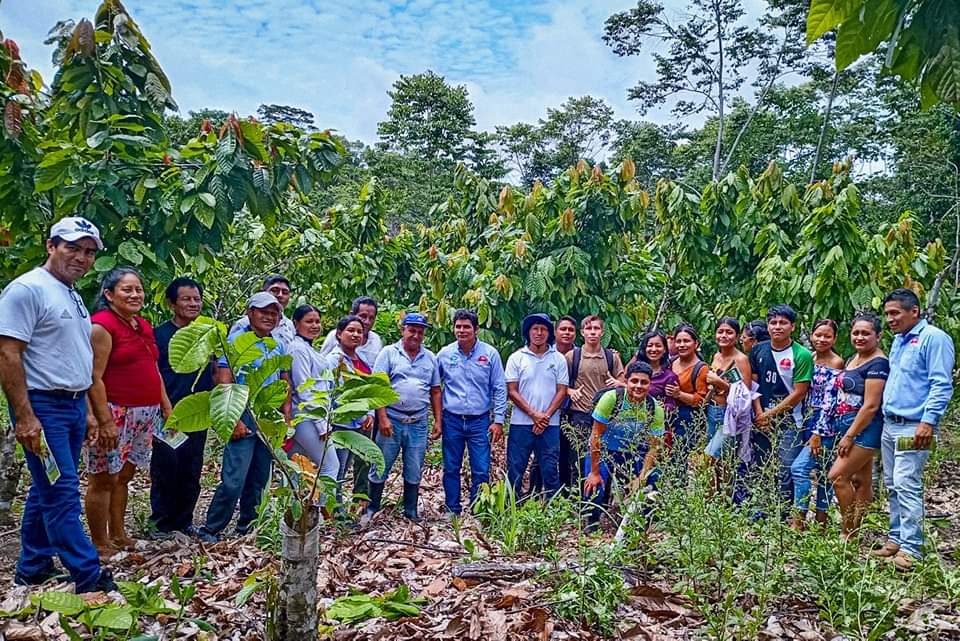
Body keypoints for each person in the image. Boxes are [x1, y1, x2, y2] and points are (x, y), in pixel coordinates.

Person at [0, 217, 115, 592]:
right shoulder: (27, 289)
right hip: (42, 407)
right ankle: (88, 574)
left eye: (89, 252)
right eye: (73, 248)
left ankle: (32, 566)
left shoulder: (71, 294)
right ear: (51, 246)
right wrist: (24, 416)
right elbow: (8, 353)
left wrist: (86, 412)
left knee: (46, 488)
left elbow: (71, 357)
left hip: (69, 405)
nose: (81, 258)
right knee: (62, 491)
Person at [85, 267, 172, 556]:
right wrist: (103, 420)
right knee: (103, 478)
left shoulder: (141, 324)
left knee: (124, 475)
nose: (135, 294)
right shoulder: (102, 326)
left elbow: (152, 367)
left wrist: (165, 403)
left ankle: (119, 535)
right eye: (127, 289)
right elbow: (93, 377)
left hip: (144, 413)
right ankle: (99, 542)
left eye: (138, 289)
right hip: (115, 411)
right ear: (109, 294)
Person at [199, 292, 292, 542]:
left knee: (260, 477)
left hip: (267, 417)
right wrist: (234, 419)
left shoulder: (278, 344)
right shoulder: (236, 341)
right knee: (234, 478)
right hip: (243, 414)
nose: (269, 317)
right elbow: (224, 380)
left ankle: (247, 526)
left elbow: (284, 381)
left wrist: (286, 416)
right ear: (250, 313)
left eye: (274, 313)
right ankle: (211, 528)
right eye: (263, 312)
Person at [874, 289, 954, 570]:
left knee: (908, 483)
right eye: (887, 314)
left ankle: (912, 549)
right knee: (893, 484)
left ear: (914, 311)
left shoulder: (934, 339)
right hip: (890, 423)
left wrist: (928, 421)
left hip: (914, 426)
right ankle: (896, 538)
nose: (890, 319)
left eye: (895, 313)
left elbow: (941, 383)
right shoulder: (898, 341)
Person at [150, 277, 214, 538]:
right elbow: (153, 373)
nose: (193, 303)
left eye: (196, 299)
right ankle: (162, 523)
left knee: (191, 466)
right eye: (186, 299)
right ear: (172, 303)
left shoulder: (207, 333)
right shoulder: (159, 335)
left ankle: (184, 520)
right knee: (166, 466)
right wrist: (165, 408)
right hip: (169, 413)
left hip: (198, 412)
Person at [364, 312, 442, 522]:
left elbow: (435, 390)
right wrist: (382, 418)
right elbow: (378, 387)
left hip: (418, 422)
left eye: (420, 332)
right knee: (381, 463)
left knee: (414, 465)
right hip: (392, 419)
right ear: (403, 330)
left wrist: (438, 421)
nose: (415, 335)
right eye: (412, 330)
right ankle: (372, 507)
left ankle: (410, 510)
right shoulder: (389, 353)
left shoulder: (430, 358)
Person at [821, 313, 887, 539]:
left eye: (865, 333)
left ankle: (847, 532)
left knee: (837, 477)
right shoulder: (853, 359)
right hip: (846, 423)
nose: (859, 337)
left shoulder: (878, 364)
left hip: (864, 429)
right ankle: (857, 528)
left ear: (878, 336)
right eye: (856, 332)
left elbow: (870, 406)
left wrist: (849, 435)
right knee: (861, 480)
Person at [437, 309, 507, 516]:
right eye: (458, 326)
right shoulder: (445, 354)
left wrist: (499, 420)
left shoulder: (489, 354)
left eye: (466, 326)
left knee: (481, 468)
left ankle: (478, 509)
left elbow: (499, 388)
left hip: (480, 421)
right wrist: (437, 419)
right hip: (452, 420)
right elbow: (434, 387)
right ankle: (452, 508)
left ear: (476, 329)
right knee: (451, 466)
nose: (462, 330)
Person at [582, 362, 665, 527]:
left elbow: (654, 446)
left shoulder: (654, 408)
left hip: (633, 453)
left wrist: (642, 477)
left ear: (650, 384)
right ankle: (592, 524)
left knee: (654, 478)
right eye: (634, 381)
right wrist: (595, 472)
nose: (638, 386)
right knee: (594, 488)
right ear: (626, 381)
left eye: (644, 382)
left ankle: (642, 523)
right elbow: (596, 436)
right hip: (604, 451)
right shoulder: (611, 399)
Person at [747, 305, 813, 511]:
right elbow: (753, 385)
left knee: (786, 466)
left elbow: (799, 392)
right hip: (761, 417)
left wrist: (769, 414)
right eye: (773, 322)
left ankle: (784, 512)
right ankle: (762, 509)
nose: (777, 327)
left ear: (792, 326)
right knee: (761, 463)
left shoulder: (802, 354)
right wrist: (759, 413)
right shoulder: (758, 350)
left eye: (783, 322)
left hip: (789, 420)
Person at [505, 314, 570, 500]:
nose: (539, 333)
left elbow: (562, 391)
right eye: (535, 328)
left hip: (550, 425)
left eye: (543, 329)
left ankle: (552, 511)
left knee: (550, 469)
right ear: (528, 332)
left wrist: (545, 417)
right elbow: (512, 391)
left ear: (549, 333)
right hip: (521, 424)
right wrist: (534, 415)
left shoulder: (558, 359)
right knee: (516, 468)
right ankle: (511, 508)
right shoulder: (516, 358)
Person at [790, 319, 844, 529]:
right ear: (812, 335)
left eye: (827, 336)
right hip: (807, 418)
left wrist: (818, 432)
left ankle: (799, 520)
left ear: (834, 339)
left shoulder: (836, 362)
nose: (822, 339)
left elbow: (831, 401)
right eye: (818, 335)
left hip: (826, 423)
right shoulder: (809, 357)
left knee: (800, 469)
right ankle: (821, 522)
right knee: (822, 471)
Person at [564, 315, 624, 489]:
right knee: (578, 457)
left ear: (602, 332)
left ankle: (600, 501)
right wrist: (570, 391)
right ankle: (578, 500)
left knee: (603, 456)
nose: (592, 332)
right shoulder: (572, 356)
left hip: (606, 415)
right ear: (582, 332)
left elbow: (625, 383)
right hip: (579, 413)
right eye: (589, 329)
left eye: (596, 329)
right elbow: (559, 384)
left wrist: (618, 383)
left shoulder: (611, 357)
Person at [287, 305, 340, 483]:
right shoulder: (297, 349)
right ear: (296, 323)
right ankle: (324, 508)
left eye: (317, 321)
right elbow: (304, 388)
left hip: (311, 415)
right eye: (309, 321)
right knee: (330, 465)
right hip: (307, 416)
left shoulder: (308, 348)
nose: (315, 325)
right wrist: (321, 423)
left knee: (296, 466)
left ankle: (294, 510)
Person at [703, 318, 752, 462]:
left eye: (729, 332)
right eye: (720, 332)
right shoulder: (716, 356)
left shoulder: (741, 359)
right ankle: (716, 486)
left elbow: (745, 395)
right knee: (720, 463)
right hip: (712, 410)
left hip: (729, 414)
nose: (724, 335)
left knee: (710, 456)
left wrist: (721, 383)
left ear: (737, 337)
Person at [665, 324, 709, 469]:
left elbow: (702, 400)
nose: (682, 345)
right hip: (667, 416)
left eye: (686, 341)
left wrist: (679, 394)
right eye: (679, 341)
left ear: (696, 344)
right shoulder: (670, 363)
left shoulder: (701, 368)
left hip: (688, 419)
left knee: (680, 458)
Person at [230, 275, 295, 346]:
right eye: (274, 290)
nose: (280, 295)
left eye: (285, 292)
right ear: (263, 292)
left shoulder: (289, 325)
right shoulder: (243, 324)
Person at [319, 295, 383, 366]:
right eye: (363, 316)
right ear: (352, 314)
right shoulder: (334, 336)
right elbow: (322, 363)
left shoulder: (375, 340)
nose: (367, 322)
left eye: (371, 318)